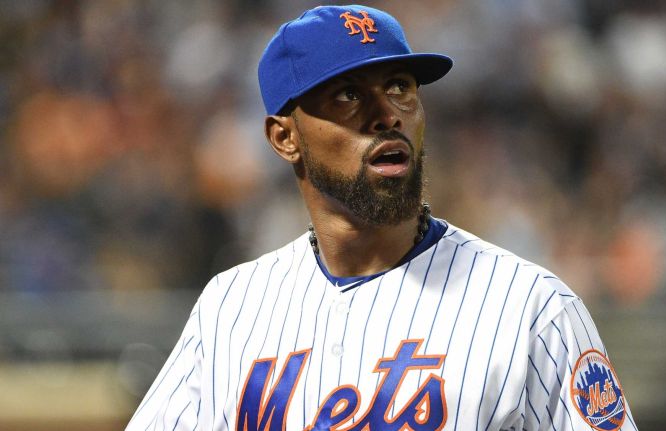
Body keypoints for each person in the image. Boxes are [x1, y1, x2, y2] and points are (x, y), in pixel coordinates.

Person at [126, 5, 638, 430]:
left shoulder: (529, 305)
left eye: (399, 87)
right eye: (349, 95)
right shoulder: (231, 307)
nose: (388, 113)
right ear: (285, 138)